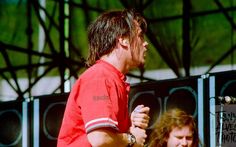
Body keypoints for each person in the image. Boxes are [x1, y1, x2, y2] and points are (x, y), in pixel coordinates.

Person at [57, 8, 150, 147]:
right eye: (140, 35)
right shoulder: (100, 76)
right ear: (123, 40)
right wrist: (132, 138)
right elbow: (100, 139)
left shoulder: (110, 77)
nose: (145, 43)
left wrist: (129, 127)